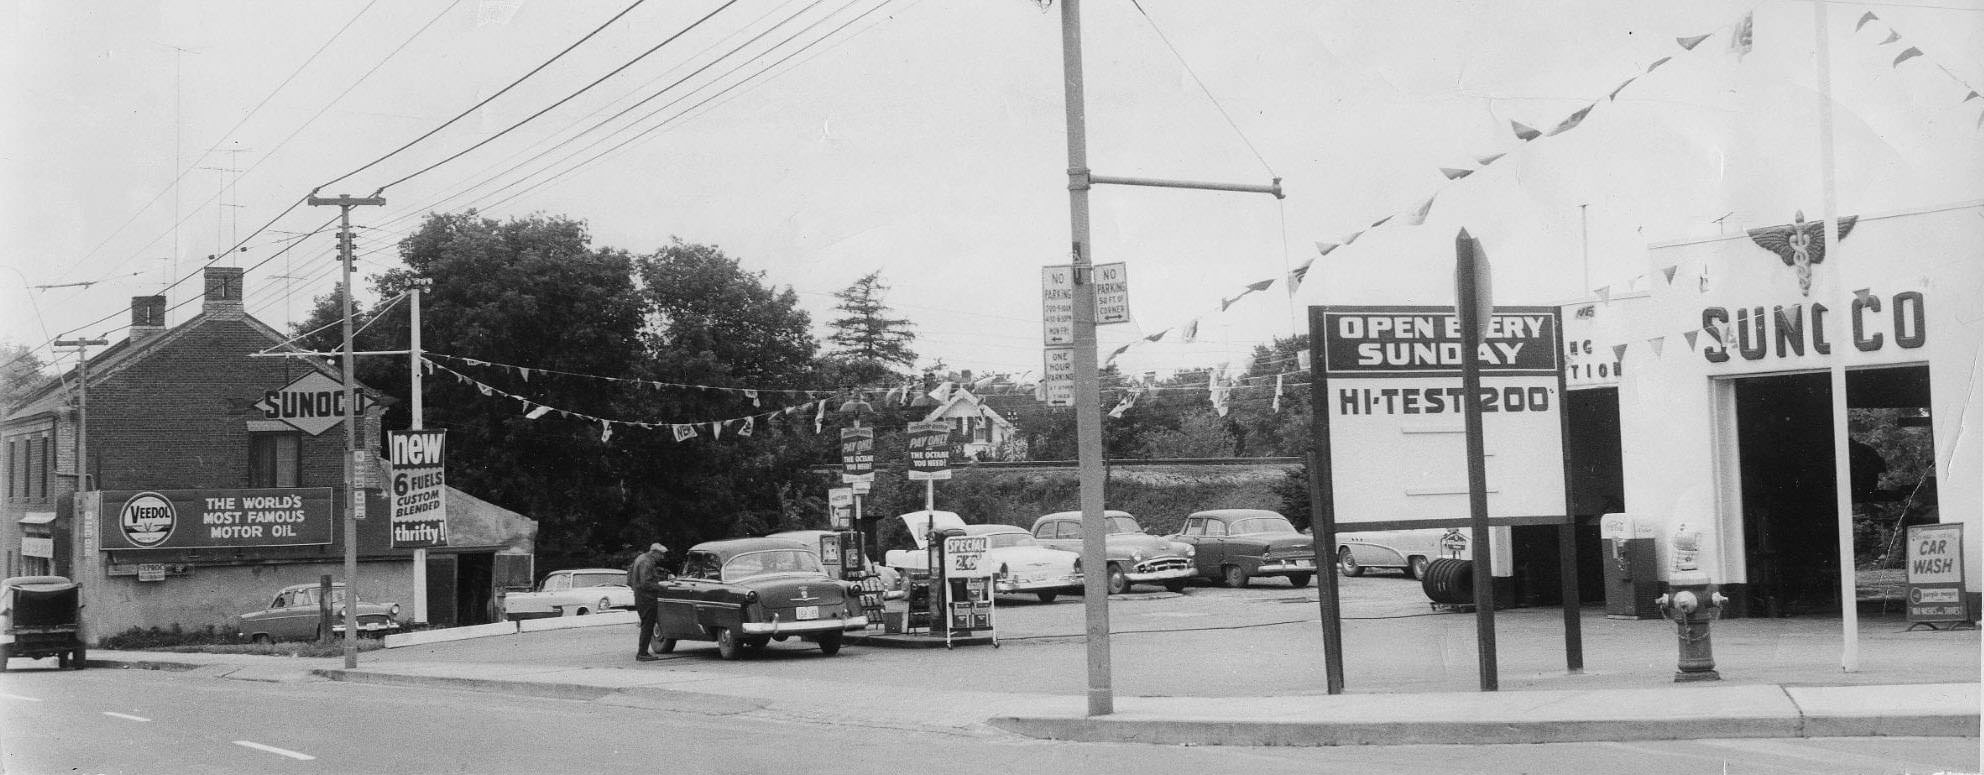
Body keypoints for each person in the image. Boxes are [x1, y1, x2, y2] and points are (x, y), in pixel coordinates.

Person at [628, 543, 669, 662]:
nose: (662, 557)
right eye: (661, 554)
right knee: (647, 625)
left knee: (646, 624)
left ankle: (642, 652)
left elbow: (630, 576)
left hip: (640, 596)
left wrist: (634, 588)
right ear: (654, 552)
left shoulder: (640, 559)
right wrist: (661, 588)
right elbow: (645, 583)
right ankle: (642, 653)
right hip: (647, 598)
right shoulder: (647, 562)